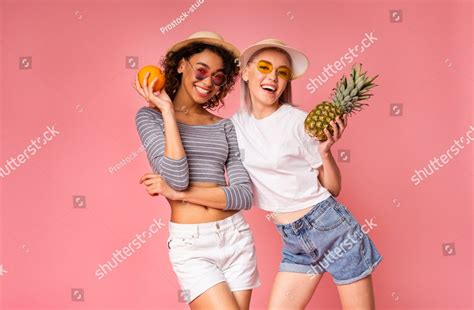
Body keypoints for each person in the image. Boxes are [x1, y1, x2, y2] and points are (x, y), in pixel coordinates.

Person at [231, 39, 383, 309]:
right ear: (245, 72)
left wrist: (325, 152)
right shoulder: (234, 125)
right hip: (293, 239)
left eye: (282, 72)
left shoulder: (298, 121)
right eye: (265, 67)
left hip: (331, 227)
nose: (273, 77)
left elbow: (333, 189)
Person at [133, 31, 260, 310]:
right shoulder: (150, 117)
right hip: (192, 245)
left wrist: (179, 195)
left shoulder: (225, 126)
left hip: (236, 237)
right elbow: (176, 177)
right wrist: (167, 110)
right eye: (201, 71)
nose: (208, 83)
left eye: (217, 77)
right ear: (181, 65)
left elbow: (243, 196)